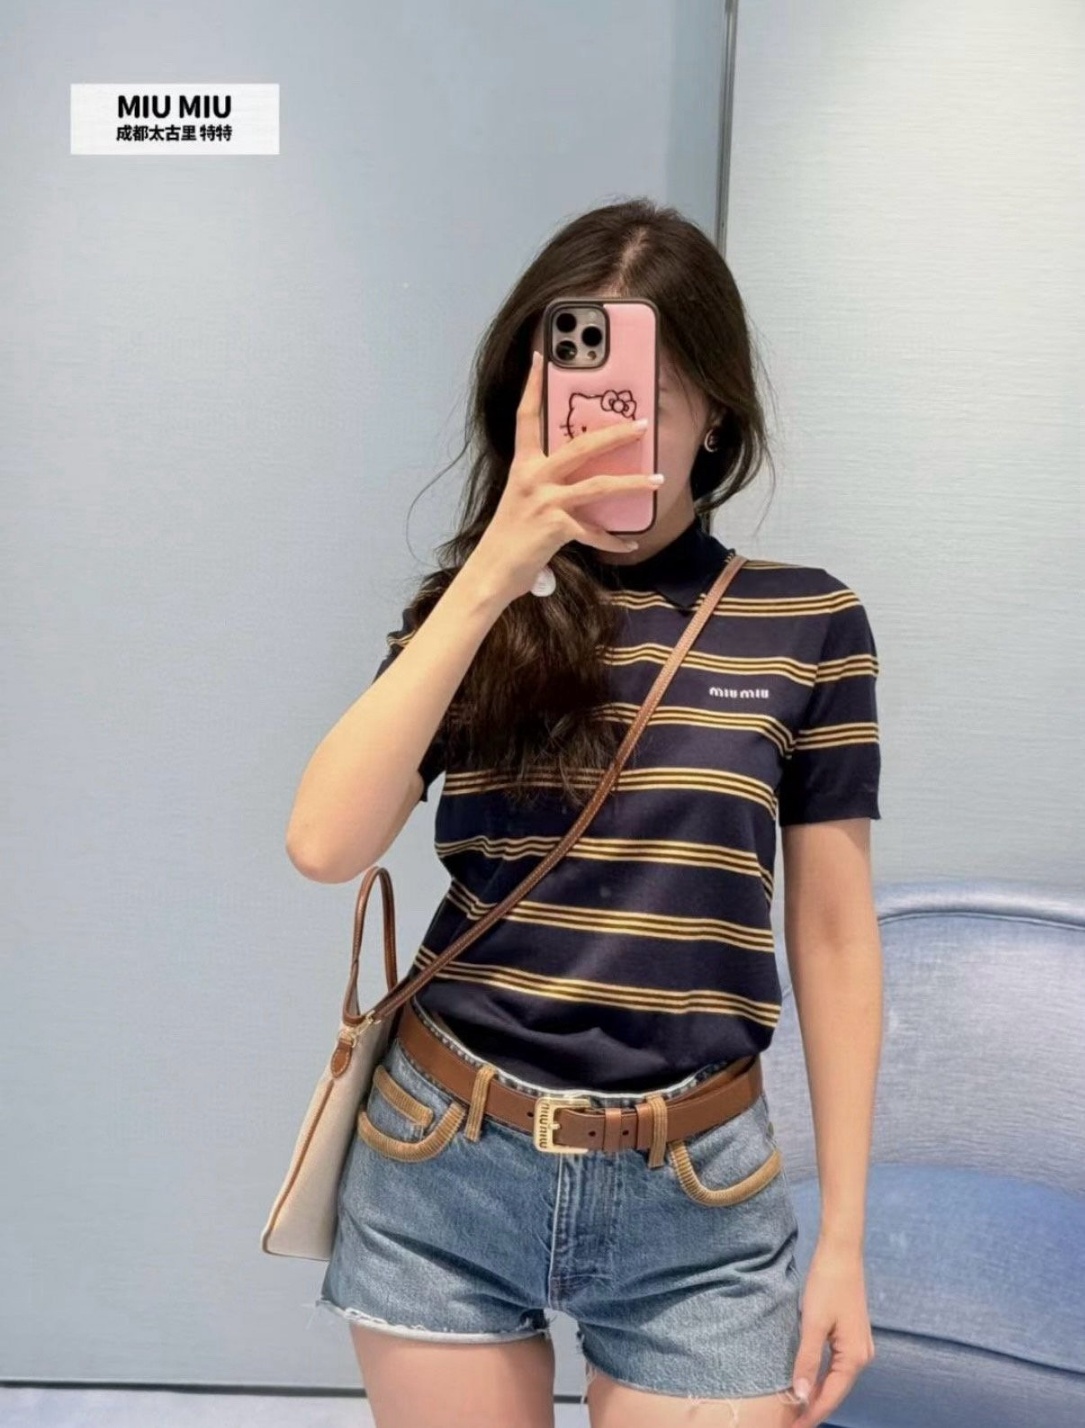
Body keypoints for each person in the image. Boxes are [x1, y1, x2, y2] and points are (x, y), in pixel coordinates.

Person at [287, 198, 881, 1428]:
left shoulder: (809, 623)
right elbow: (324, 843)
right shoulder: (478, 611)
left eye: (643, 402)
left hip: (699, 1201)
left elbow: (831, 937)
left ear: (714, 411)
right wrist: (494, 572)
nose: (612, 437)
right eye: (581, 405)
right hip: (444, 1159)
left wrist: (842, 1241)